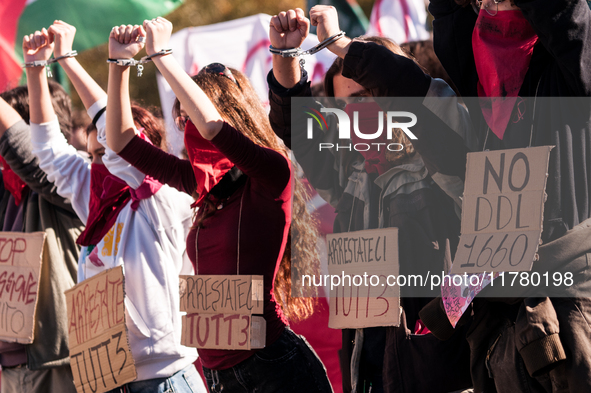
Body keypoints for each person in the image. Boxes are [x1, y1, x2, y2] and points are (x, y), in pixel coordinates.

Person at [102, 18, 333, 393]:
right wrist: (119, 65)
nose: (182, 123)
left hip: (274, 369)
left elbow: (210, 128)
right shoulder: (204, 187)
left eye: (187, 112)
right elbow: (121, 141)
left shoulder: (273, 174)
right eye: (180, 116)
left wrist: (162, 55)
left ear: (230, 112)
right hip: (221, 377)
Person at [267, 6, 473, 393]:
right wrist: (285, 54)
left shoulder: (441, 155)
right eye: (344, 104)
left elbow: (421, 92)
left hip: (443, 371)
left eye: (364, 97)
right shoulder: (351, 174)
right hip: (374, 373)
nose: (354, 113)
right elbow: (294, 123)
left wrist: (340, 45)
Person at [416, 0, 591, 391]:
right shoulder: (483, 96)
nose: (493, 6)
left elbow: (570, 26)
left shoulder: (572, 72)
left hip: (571, 317)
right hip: (502, 330)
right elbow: (454, 34)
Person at [25, 22, 207, 392]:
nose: (102, 165)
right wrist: (36, 68)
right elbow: (48, 150)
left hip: (164, 380)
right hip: (112, 380)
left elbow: (119, 140)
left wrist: (72, 61)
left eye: (107, 153)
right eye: (94, 156)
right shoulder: (98, 199)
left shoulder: (163, 198)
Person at [0, 83, 82, 393]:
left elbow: (24, 153)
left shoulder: (69, 184)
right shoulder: (7, 191)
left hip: (58, 366)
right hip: (12, 368)